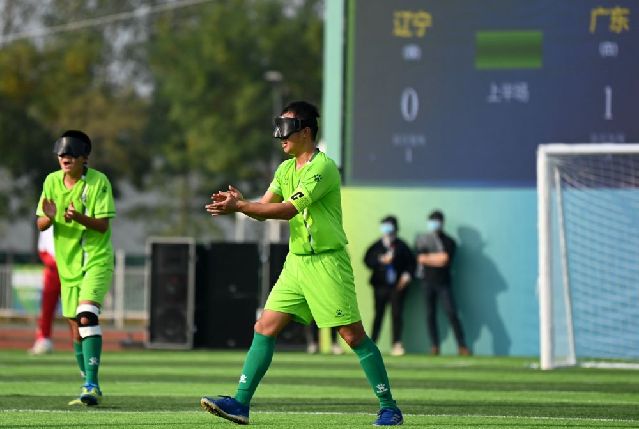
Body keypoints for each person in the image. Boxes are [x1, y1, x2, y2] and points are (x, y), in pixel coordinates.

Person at [202, 101, 403, 426]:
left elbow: (286, 210)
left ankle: (389, 406)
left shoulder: (323, 168)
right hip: (296, 263)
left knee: (352, 336)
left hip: (327, 263)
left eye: (286, 128)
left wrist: (242, 206)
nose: (280, 136)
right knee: (264, 327)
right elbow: (264, 209)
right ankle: (240, 403)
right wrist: (241, 204)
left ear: (306, 132)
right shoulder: (284, 170)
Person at [36, 130, 116, 406]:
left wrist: (78, 217)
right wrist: (48, 218)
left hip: (96, 259)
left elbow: (103, 225)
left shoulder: (99, 182)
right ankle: (86, 381)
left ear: (84, 157)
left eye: (71, 153)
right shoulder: (51, 181)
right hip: (67, 265)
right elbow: (41, 223)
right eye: (61, 153)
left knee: (86, 316)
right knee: (74, 328)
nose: (64, 157)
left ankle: (92, 384)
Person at [415, 210, 470, 356]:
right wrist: (436, 258)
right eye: (431, 220)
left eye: (436, 221)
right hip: (427, 282)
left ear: (442, 223)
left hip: (443, 283)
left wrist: (430, 258)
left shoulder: (449, 241)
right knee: (430, 314)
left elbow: (444, 260)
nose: (434, 224)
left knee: (451, 312)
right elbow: (420, 258)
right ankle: (434, 346)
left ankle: (462, 345)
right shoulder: (423, 240)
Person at [363, 216, 416, 356]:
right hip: (380, 286)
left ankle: (397, 344)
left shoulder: (402, 246)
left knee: (397, 315)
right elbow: (367, 260)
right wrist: (380, 260)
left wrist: (406, 277)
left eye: (389, 226)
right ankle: (373, 343)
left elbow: (411, 264)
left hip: (397, 287)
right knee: (378, 315)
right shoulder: (376, 246)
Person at [28, 228, 64, 355]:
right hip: (52, 273)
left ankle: (78, 340)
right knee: (47, 309)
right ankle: (43, 339)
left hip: (71, 272)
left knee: (74, 310)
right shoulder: (47, 226)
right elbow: (42, 250)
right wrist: (55, 263)